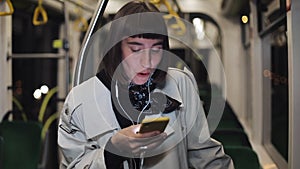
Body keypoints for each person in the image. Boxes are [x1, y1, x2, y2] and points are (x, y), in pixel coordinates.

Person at [57, 1, 234, 169]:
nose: (147, 62)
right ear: (116, 47)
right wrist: (112, 152)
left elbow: (206, 157)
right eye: (136, 50)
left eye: (156, 49)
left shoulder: (181, 85)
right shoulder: (80, 100)